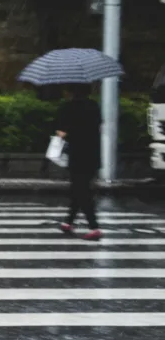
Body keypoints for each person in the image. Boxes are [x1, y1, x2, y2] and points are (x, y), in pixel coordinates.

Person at [56, 83, 102, 241]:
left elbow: (62, 133)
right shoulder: (94, 106)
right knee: (79, 188)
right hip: (93, 154)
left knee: (81, 191)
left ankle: (94, 226)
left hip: (77, 154)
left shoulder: (67, 108)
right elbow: (98, 126)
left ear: (71, 92)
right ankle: (69, 222)